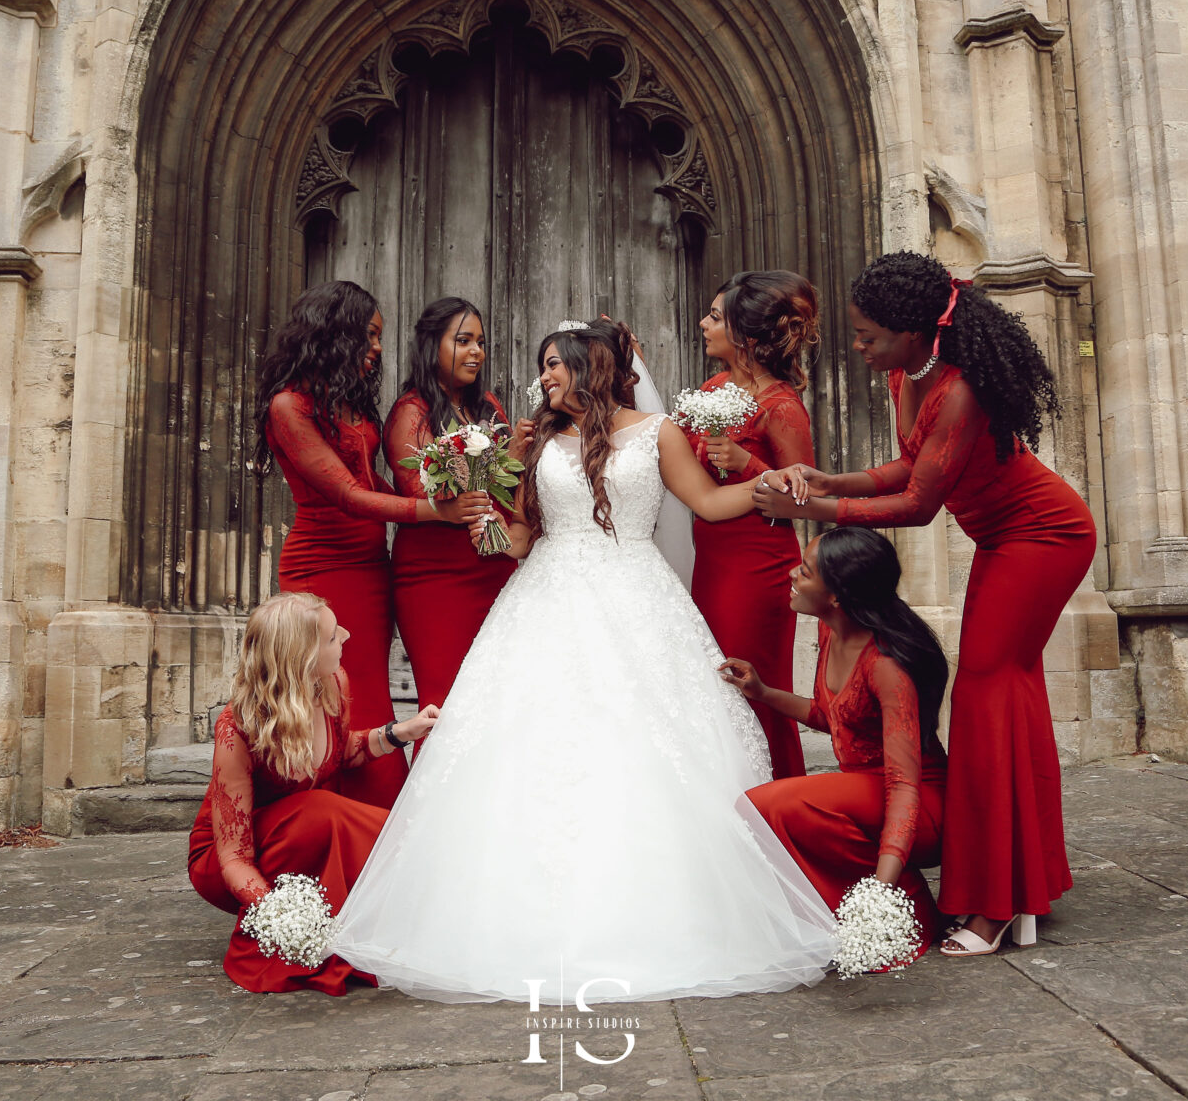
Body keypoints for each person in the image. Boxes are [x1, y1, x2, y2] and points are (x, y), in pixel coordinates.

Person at [329, 320, 835, 1003]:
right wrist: (484, 525)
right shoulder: (539, 443)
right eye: (541, 368)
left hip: (637, 596)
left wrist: (777, 481)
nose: (544, 379)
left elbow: (711, 505)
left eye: (553, 366)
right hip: (543, 597)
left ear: (588, 365)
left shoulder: (657, 434)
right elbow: (519, 541)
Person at [753, 252, 1095, 956]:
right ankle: (1019, 882)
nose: (857, 346)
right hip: (1003, 537)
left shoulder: (962, 389)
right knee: (1002, 692)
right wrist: (830, 476)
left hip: (1044, 533)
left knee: (987, 692)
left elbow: (917, 504)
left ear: (914, 331)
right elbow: (908, 464)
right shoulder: (904, 373)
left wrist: (816, 505)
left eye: (869, 335)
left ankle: (995, 903)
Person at [256, 281, 488, 807]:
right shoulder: (288, 407)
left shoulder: (347, 402)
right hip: (322, 569)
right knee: (345, 701)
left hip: (371, 566)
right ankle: (366, 827)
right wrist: (436, 510)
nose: (378, 347)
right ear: (333, 333)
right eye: (370, 334)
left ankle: (375, 831)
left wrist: (432, 490)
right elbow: (346, 494)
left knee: (371, 698)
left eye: (379, 336)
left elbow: (372, 483)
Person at [186, 593, 441, 994]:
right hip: (230, 860)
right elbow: (233, 858)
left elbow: (340, 755)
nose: (346, 634)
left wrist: (400, 733)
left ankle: (431, 886)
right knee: (326, 811)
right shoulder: (236, 727)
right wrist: (279, 915)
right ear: (302, 655)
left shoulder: (332, 684)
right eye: (331, 635)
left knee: (329, 814)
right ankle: (426, 880)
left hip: (305, 830)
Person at [722, 528, 950, 961]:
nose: (791, 573)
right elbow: (835, 718)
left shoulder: (885, 666)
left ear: (837, 596)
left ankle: (904, 910)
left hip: (920, 807)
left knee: (770, 805)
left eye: (805, 572)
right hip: (866, 795)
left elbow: (903, 785)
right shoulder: (832, 633)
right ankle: (850, 913)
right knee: (770, 808)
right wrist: (763, 692)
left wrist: (882, 890)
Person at [685, 271, 819, 780]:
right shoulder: (715, 389)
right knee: (716, 691)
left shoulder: (781, 406)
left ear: (747, 336)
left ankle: (778, 807)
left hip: (757, 568)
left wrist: (746, 462)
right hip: (713, 563)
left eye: (716, 317)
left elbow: (807, 497)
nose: (704, 323)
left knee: (749, 686)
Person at [383, 298, 517, 716]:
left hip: (494, 567)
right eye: (463, 341)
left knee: (498, 702)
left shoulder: (488, 406)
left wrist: (520, 452)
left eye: (480, 342)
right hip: (435, 577)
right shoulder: (411, 412)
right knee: (444, 706)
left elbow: (508, 483)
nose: (477, 351)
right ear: (431, 345)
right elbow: (414, 487)